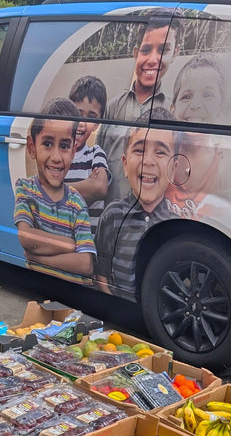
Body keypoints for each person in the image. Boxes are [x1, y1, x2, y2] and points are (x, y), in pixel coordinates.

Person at [97, 9, 183, 201]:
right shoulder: (113, 106)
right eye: (146, 50)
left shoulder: (172, 111)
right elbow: (98, 159)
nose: (153, 60)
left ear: (175, 53)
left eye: (163, 50)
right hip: (112, 212)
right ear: (136, 53)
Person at [95, 108, 176, 295]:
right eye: (139, 150)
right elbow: (102, 274)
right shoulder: (111, 216)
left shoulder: (175, 225)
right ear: (124, 163)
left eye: (161, 152)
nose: (148, 161)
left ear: (174, 168)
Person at [14, 98, 96, 283]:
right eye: (48, 144)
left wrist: (36, 257)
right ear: (32, 147)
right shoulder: (25, 189)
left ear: (74, 151)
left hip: (73, 297)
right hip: (37, 290)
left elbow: (85, 264)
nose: (57, 157)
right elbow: (26, 237)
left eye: (65, 146)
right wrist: (71, 245)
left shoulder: (77, 203)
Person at [167, 56, 226, 220]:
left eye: (207, 95)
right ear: (172, 109)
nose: (196, 105)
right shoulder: (161, 155)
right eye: (187, 96)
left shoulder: (227, 167)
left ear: (220, 109)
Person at [65, 75, 110, 232]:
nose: (82, 123)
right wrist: (85, 187)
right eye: (77, 113)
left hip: (87, 241)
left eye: (91, 117)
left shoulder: (95, 153)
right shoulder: (58, 155)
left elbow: (99, 188)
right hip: (61, 236)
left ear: (98, 124)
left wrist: (56, 190)